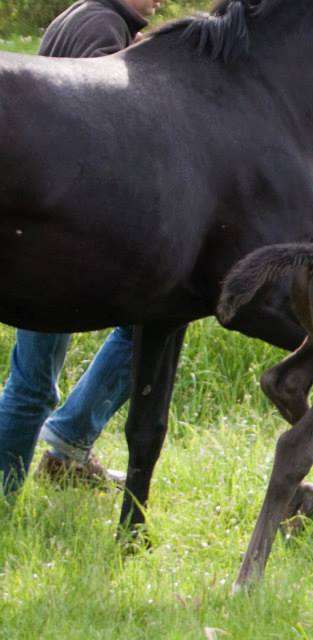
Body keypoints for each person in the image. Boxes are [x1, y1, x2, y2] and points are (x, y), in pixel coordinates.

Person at [0, 0, 162, 495]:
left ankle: (66, 445)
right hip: (68, 230)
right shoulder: (102, 25)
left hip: (49, 221)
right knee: (37, 379)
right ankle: (49, 456)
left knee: (37, 374)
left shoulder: (79, 14)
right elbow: (104, 120)